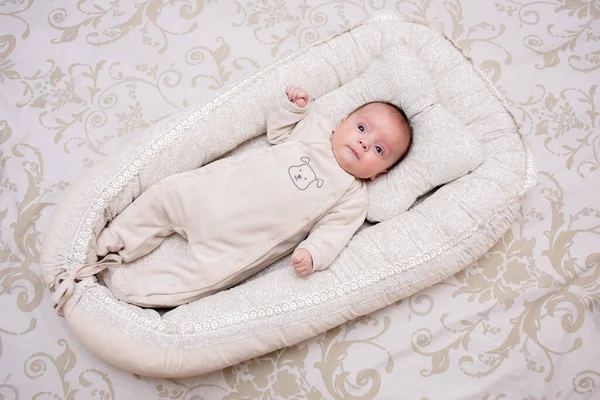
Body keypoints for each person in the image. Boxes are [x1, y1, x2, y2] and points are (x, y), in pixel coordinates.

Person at [94, 85, 413, 308]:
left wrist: (313, 254)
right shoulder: (314, 128)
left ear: (379, 173)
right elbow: (277, 131)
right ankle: (118, 237)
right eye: (361, 128)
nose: (364, 144)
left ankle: (132, 288)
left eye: (380, 149)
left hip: (238, 244)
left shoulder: (353, 197)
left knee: (202, 278)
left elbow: (334, 235)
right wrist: (293, 108)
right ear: (342, 122)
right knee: (168, 194)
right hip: (211, 193)